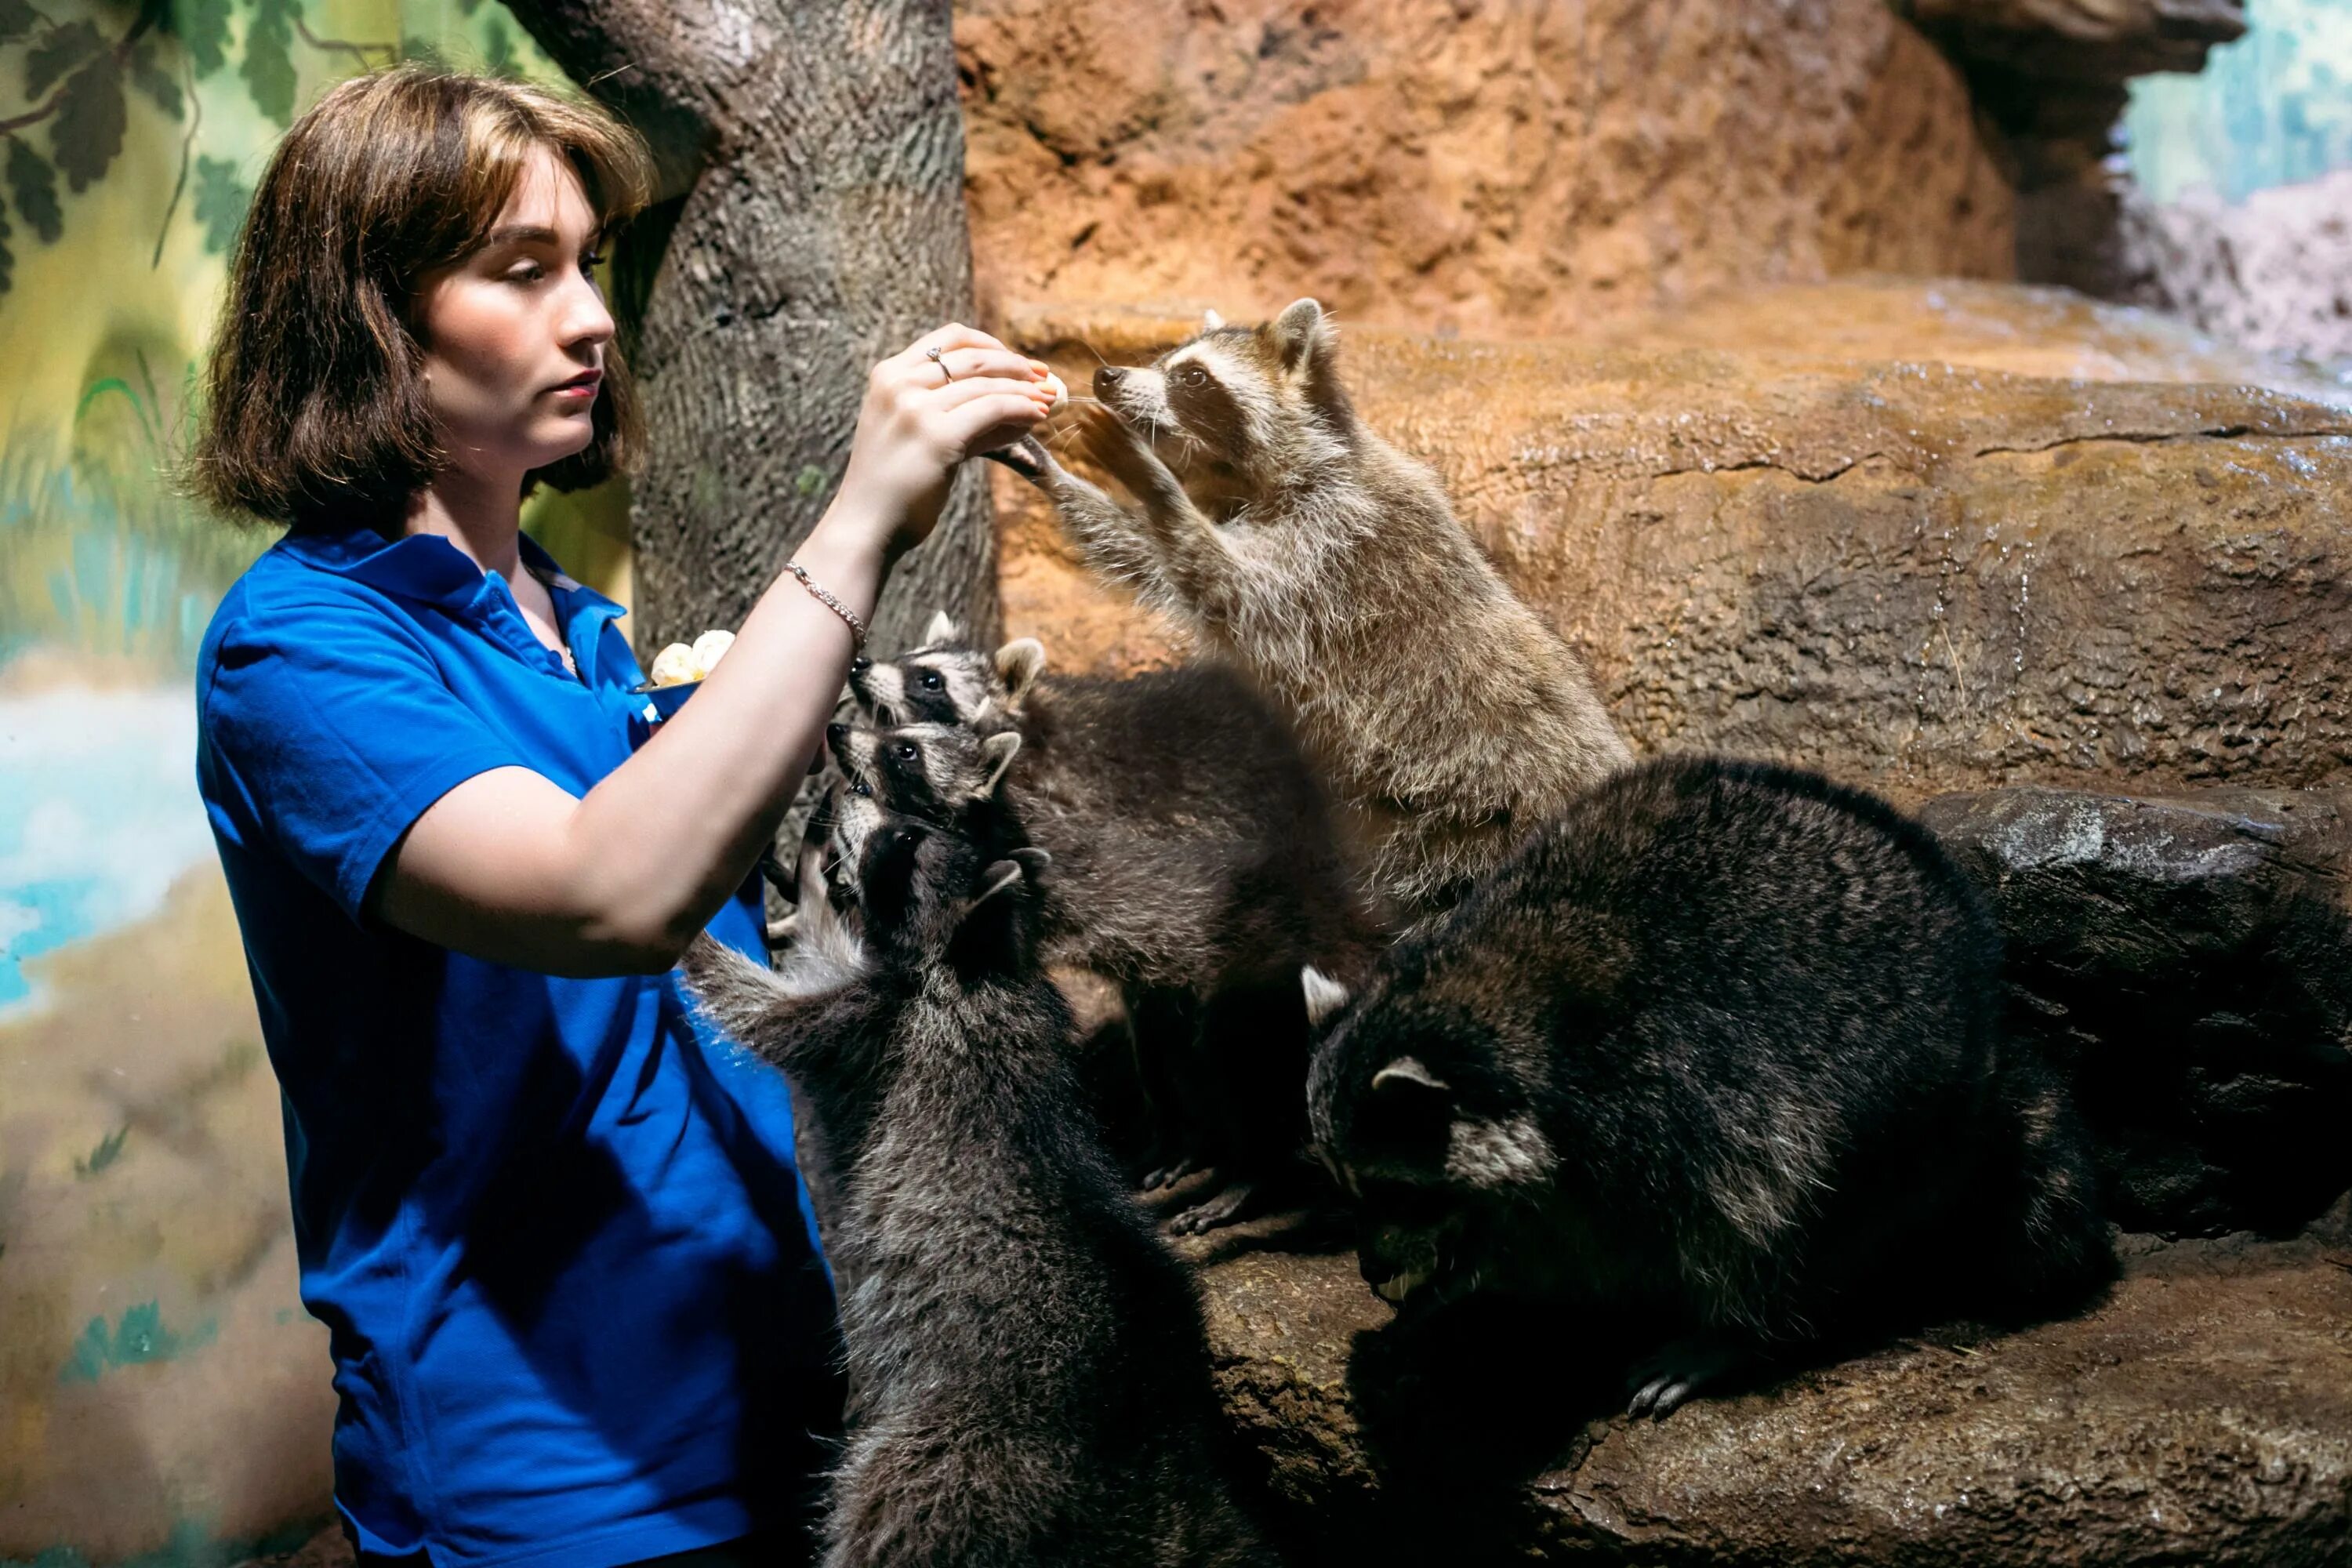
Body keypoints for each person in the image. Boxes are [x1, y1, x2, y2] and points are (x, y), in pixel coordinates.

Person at [187, 67, 1054, 1566]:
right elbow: (609, 894)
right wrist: (856, 521)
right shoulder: (303, 652)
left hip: (788, 1400)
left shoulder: (585, 637)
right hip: (558, 1474)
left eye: (587, 264)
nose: (589, 316)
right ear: (368, 315)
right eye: (522, 273)